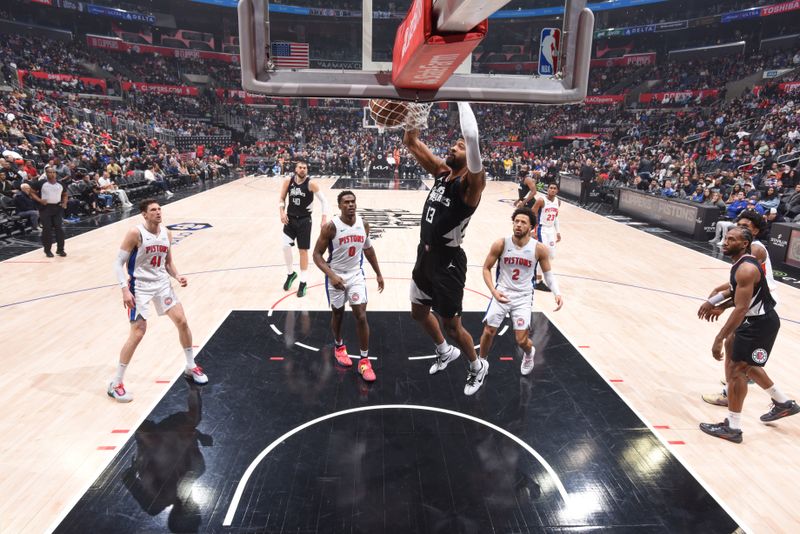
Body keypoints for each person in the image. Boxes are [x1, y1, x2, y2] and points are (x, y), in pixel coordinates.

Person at [403, 102, 488, 395]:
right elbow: (410, 141)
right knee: (418, 312)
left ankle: (477, 366)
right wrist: (415, 104)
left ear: (471, 158)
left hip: (448, 262)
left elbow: (473, 137)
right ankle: (444, 351)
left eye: (460, 147)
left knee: (453, 326)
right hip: (424, 254)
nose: (454, 147)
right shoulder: (442, 173)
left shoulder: (471, 186)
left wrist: (460, 99)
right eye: (454, 144)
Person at [697, 226, 798, 443]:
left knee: (736, 372)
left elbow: (742, 308)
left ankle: (733, 427)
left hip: (758, 324)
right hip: (759, 322)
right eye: (725, 238)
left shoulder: (745, 269)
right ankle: (783, 403)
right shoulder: (741, 265)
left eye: (731, 239)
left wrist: (719, 338)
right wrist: (715, 303)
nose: (725, 242)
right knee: (747, 367)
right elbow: (737, 293)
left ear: (744, 244)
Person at [108, 199, 208, 403]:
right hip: (140, 287)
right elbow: (118, 263)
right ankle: (115, 383)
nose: (158, 212)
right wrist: (124, 290)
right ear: (144, 214)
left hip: (162, 284)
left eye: (159, 209)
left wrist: (177, 276)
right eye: (153, 210)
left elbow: (168, 262)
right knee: (138, 332)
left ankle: (190, 366)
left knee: (182, 321)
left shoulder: (166, 233)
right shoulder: (135, 233)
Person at [701, 210, 778, 407]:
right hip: (753, 301)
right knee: (733, 347)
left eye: (746, 227)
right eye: (740, 224)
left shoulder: (755, 250)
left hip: (760, 303)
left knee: (733, 348)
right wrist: (718, 296)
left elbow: (745, 289)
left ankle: (731, 391)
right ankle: (779, 400)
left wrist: (721, 304)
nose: (741, 228)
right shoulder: (742, 256)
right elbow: (737, 286)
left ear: (755, 232)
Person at [479, 207, 563, 378]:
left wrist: (557, 293)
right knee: (488, 331)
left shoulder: (539, 249)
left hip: (523, 297)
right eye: (516, 221)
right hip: (502, 293)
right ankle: (481, 364)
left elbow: (548, 275)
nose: (518, 225)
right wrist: (493, 291)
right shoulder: (501, 243)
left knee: (521, 340)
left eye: (523, 222)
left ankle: (529, 352)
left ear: (531, 227)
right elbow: (486, 268)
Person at [312, 190, 384, 382]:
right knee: (338, 314)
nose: (350, 205)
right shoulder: (331, 227)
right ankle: (339, 346)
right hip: (336, 276)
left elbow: (368, 250)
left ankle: (364, 361)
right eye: (346, 202)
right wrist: (332, 275)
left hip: (356, 276)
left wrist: (378, 273)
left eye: (353, 201)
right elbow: (317, 255)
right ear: (340, 206)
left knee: (361, 315)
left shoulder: (363, 224)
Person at [278, 161, 329, 297]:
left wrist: (323, 219)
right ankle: (290, 274)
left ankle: (303, 281)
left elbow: (324, 201)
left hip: (305, 220)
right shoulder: (288, 181)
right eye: (300, 167)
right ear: (296, 169)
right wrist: (281, 212)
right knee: (285, 246)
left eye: (305, 168)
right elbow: (282, 199)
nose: (302, 170)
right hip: (290, 219)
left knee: (303, 251)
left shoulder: (311, 184)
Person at [29, 166, 67, 257]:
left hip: (57, 208)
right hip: (45, 208)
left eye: (54, 172)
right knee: (47, 230)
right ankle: (47, 250)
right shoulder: (41, 183)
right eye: (50, 172)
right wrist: (39, 200)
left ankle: (60, 249)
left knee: (59, 229)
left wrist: (64, 202)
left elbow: (65, 194)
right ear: (46, 174)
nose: (52, 174)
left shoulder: (61, 184)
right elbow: (31, 192)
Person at [533, 182, 562, 292]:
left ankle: (535, 273)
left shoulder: (558, 202)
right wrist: (534, 230)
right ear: (548, 189)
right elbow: (533, 213)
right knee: (543, 254)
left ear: (557, 191)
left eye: (555, 188)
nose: (553, 190)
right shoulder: (541, 200)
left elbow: (556, 218)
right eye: (551, 188)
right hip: (541, 229)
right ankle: (538, 281)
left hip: (550, 230)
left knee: (551, 256)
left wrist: (558, 232)